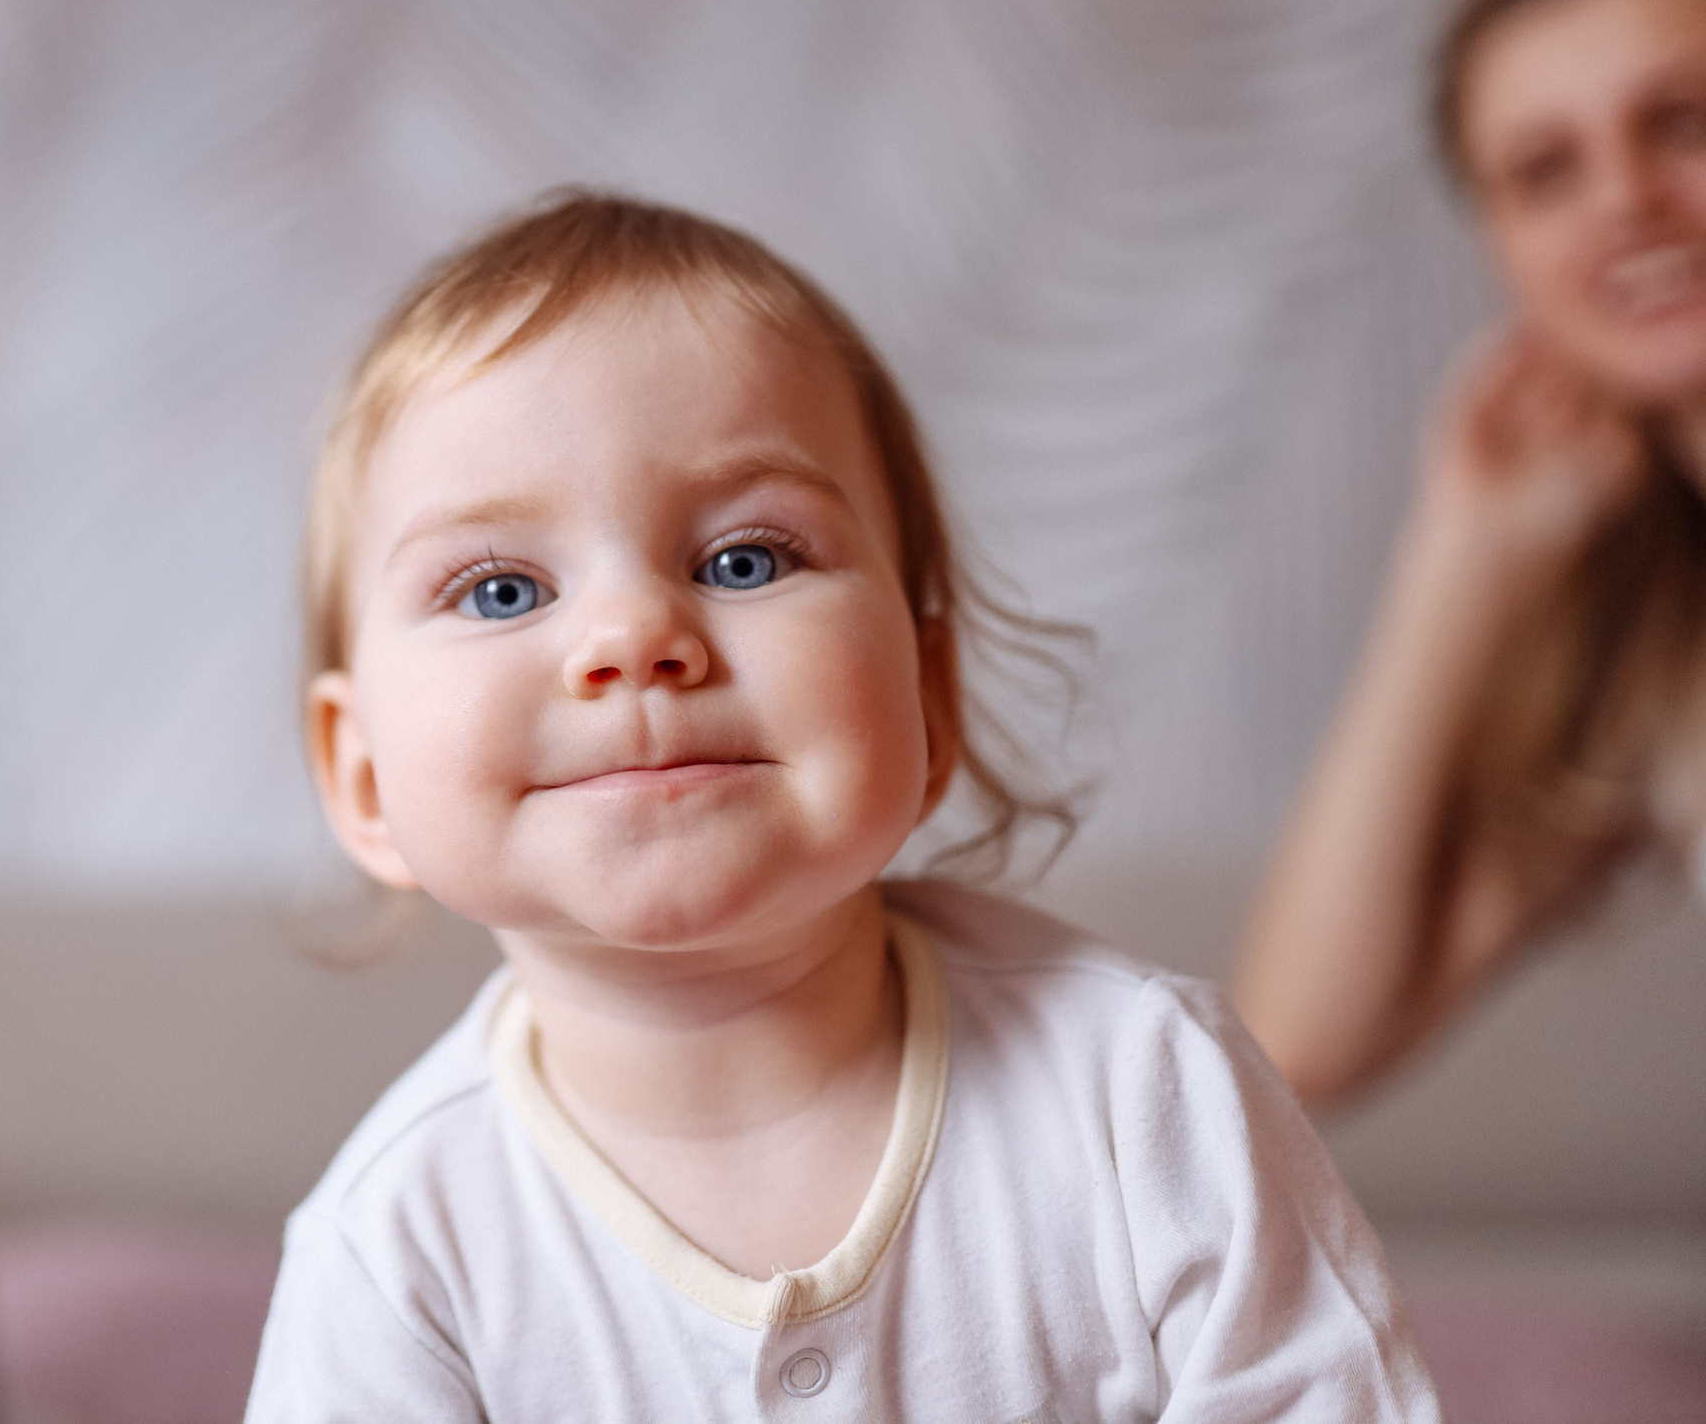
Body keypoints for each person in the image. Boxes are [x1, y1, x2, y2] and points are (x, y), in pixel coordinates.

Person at [247, 193, 1439, 1420]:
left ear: (928, 692)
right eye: (499, 590)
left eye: (743, 560)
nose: (633, 637)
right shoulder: (397, 1252)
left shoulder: (1143, 1091)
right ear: (365, 779)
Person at [1234, 0, 1706, 1109]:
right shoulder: (1655, 626)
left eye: (1685, 122)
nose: (1625, 202)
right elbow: (1295, 1048)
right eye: (1544, 172)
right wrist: (1456, 560)